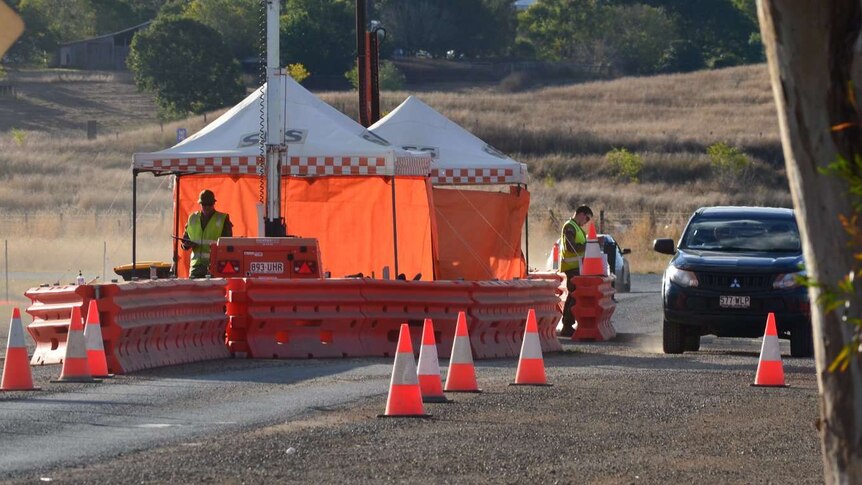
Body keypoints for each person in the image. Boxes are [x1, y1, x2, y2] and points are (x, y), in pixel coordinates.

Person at [181, 189, 233, 278]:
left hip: (214, 266)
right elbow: (184, 241)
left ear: (214, 203)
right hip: (196, 267)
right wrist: (186, 244)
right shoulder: (192, 218)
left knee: (214, 291)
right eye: (205, 204)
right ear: (200, 204)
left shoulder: (222, 219)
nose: (207, 207)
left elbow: (228, 245)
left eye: (210, 204)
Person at [559, 205, 593, 336]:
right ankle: (567, 325)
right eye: (587, 219)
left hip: (577, 267)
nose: (586, 222)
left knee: (574, 296)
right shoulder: (570, 227)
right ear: (582, 214)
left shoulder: (577, 228)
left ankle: (568, 325)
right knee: (573, 296)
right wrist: (588, 245)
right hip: (571, 267)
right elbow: (570, 247)